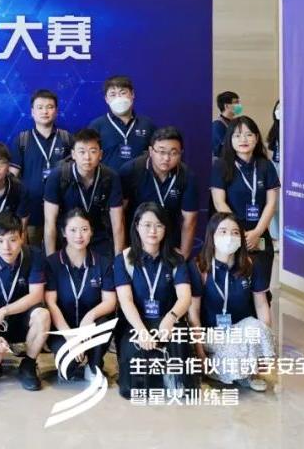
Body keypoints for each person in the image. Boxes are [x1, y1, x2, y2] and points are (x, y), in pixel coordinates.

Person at [113, 202, 194, 399]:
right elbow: (126, 301)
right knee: (131, 390)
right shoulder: (123, 259)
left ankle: (171, 377)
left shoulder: (176, 258)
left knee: (185, 389)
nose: (153, 231)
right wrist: (142, 332)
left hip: (167, 320)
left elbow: (185, 297)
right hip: (135, 323)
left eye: (159, 225)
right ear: (136, 226)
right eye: (147, 225)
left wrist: (171, 318)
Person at [188, 213, 276, 392]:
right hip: (212, 333)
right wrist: (200, 353)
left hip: (239, 330)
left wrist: (263, 344)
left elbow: (261, 306)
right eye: (223, 231)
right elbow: (193, 314)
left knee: (256, 329)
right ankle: (220, 370)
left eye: (235, 232)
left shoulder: (252, 265)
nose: (229, 237)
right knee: (231, 349)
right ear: (212, 236)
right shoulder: (199, 267)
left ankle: (250, 373)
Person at [0, 211, 50, 391]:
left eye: (12, 240)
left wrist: (5, 311)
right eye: (0, 241)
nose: (6, 247)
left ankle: (28, 364)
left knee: (43, 315)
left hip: (20, 319)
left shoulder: (34, 255)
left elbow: (36, 295)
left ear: (22, 237)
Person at [44, 208, 117, 382]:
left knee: (106, 322)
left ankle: (93, 366)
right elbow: (51, 303)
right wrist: (70, 337)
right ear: (64, 232)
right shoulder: (52, 262)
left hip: (91, 327)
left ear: (91, 232)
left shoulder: (103, 262)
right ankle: (71, 360)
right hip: (63, 329)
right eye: (73, 230)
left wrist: (90, 317)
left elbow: (110, 301)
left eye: (84, 229)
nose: (79, 235)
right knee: (68, 369)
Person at [210, 116, 280, 283]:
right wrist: (238, 233)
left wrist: (257, 232)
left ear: (256, 138)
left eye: (248, 135)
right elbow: (219, 202)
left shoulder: (266, 166)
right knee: (235, 286)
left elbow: (271, 204)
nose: (243, 140)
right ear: (230, 139)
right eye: (237, 135)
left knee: (260, 286)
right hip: (230, 234)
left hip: (260, 234)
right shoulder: (221, 166)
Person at [43, 128, 125, 258]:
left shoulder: (111, 177)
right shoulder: (57, 176)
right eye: (82, 152)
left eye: (93, 151)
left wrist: (118, 261)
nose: (87, 157)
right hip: (67, 236)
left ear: (100, 154)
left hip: (98, 236)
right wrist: (51, 261)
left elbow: (118, 224)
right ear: (73, 154)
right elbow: (49, 223)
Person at [119, 126, 199, 259]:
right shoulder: (131, 171)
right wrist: (121, 253)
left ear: (181, 153)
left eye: (173, 153)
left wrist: (183, 257)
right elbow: (119, 213)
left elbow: (189, 220)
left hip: (170, 239)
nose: (166, 158)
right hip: (136, 239)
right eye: (161, 152)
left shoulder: (187, 177)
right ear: (151, 151)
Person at [8, 89, 72, 246]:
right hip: (31, 211)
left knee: (60, 253)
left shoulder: (66, 138)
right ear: (32, 112)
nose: (45, 111)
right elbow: (12, 176)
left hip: (62, 209)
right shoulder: (22, 140)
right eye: (40, 107)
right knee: (33, 252)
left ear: (56, 111)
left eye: (49, 107)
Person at [88, 75, 156, 172]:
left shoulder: (147, 124)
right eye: (113, 94)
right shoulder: (96, 126)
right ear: (106, 99)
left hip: (140, 179)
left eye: (123, 93)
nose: (118, 98)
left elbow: (157, 155)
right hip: (108, 180)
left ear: (132, 94)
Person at [266, 100, 281, 247]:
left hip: (288, 168)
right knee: (273, 203)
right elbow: (270, 151)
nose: (279, 111)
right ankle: (275, 238)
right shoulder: (275, 129)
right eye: (277, 108)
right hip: (275, 166)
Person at [211, 91, 241, 158]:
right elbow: (225, 146)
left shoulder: (236, 122)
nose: (239, 106)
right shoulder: (217, 125)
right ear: (226, 106)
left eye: (239, 103)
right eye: (236, 103)